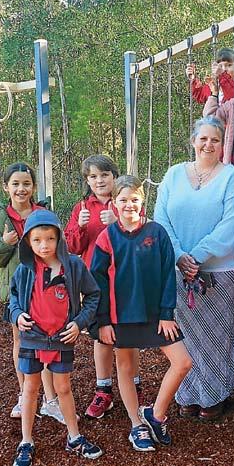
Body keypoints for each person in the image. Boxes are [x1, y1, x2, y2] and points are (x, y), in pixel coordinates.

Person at [154, 116, 234, 421]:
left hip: (217, 273)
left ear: (222, 144)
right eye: (203, 138)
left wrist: (195, 256)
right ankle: (188, 394)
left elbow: (231, 225)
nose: (208, 144)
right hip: (177, 272)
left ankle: (214, 394)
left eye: (215, 140)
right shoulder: (173, 174)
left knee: (215, 337)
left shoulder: (232, 177)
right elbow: (161, 219)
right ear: (193, 141)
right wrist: (179, 256)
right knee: (185, 337)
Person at [91, 175, 193, 452]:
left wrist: (166, 313)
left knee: (183, 362)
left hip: (155, 315)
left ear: (143, 201)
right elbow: (97, 283)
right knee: (125, 368)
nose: (129, 205)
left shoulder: (156, 233)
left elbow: (168, 275)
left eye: (134, 199)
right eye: (123, 200)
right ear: (113, 204)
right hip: (120, 317)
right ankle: (137, 425)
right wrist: (103, 322)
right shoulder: (106, 238)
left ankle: (155, 415)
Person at [9, 210, 103, 466]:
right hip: (32, 337)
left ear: (59, 238)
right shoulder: (24, 270)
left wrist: (79, 323)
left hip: (62, 338)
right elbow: (13, 298)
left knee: (63, 388)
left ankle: (74, 437)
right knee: (30, 388)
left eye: (50, 238)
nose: (44, 245)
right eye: (37, 240)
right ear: (28, 242)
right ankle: (26, 441)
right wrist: (17, 315)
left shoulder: (73, 266)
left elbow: (93, 295)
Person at [0, 163, 63, 423]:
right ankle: (24, 394)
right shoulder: (0, 220)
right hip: (16, 293)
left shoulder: (44, 215)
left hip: (46, 290)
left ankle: (51, 400)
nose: (21, 189)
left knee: (48, 342)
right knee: (21, 342)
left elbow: (61, 249)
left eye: (26, 184)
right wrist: (4, 243)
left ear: (34, 187)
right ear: (6, 187)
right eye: (15, 184)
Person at [64, 155, 142, 419]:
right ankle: (104, 389)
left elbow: (141, 236)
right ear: (87, 181)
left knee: (128, 335)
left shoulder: (127, 201)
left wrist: (117, 221)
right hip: (95, 283)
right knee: (101, 335)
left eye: (105, 175)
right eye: (93, 176)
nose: (99, 181)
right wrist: (81, 226)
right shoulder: (81, 207)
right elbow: (72, 246)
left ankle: (134, 385)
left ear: (114, 177)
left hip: (126, 280)